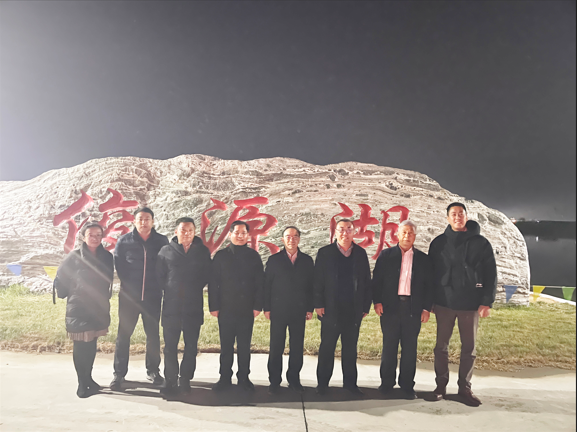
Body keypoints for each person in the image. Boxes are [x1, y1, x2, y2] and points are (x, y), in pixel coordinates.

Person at [429, 202, 497, 407]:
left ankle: (464, 388)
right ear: (447, 218)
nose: (457, 217)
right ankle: (440, 385)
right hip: (444, 302)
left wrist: (486, 301)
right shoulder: (439, 243)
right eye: (453, 214)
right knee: (441, 347)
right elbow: (431, 273)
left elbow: (490, 273)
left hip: (470, 303)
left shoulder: (481, 243)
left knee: (469, 348)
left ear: (466, 217)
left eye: (461, 214)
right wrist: (429, 301)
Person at [372, 220, 433, 400]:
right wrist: (377, 302)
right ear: (397, 235)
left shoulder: (423, 259)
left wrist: (426, 308)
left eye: (411, 233)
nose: (407, 236)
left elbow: (429, 286)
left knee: (410, 348)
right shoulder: (386, 255)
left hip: (413, 308)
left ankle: (407, 385)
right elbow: (377, 281)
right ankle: (386, 383)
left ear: (415, 236)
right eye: (404, 232)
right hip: (390, 307)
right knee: (389, 346)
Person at [110, 207, 169, 391]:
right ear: (134, 221)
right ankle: (119, 374)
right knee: (123, 335)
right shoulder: (124, 241)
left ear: (153, 221)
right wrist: (130, 287)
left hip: (153, 297)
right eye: (140, 219)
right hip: (129, 298)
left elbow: (165, 266)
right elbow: (119, 265)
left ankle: (153, 371)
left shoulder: (161, 241)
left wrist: (159, 285)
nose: (144, 222)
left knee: (153, 335)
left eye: (147, 219)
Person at [54, 222, 114, 398]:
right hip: (79, 306)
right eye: (91, 235)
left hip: (98, 306)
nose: (95, 238)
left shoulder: (107, 256)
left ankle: (89, 378)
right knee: (81, 345)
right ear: (83, 237)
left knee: (92, 343)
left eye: (98, 235)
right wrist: (72, 293)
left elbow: (108, 278)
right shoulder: (74, 256)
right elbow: (61, 276)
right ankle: (82, 383)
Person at [314, 219, 372, 396]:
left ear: (354, 232)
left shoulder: (360, 253)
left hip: (353, 309)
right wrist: (318, 304)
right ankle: (322, 384)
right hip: (330, 309)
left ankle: (350, 384)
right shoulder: (325, 253)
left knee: (350, 348)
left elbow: (366, 281)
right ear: (335, 232)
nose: (345, 233)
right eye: (341, 229)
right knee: (327, 347)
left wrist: (365, 306)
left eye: (348, 229)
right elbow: (318, 280)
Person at [156, 217, 211, 395]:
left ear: (194, 232)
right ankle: (170, 380)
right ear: (176, 232)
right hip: (171, 306)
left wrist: (192, 288)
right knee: (170, 347)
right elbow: (159, 276)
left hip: (193, 306)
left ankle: (185, 378)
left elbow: (206, 275)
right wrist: (172, 288)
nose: (186, 233)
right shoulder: (165, 251)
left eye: (190, 230)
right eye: (183, 230)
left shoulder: (202, 251)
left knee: (191, 346)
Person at [209, 220, 264, 391]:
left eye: (243, 233)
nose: (240, 236)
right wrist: (214, 306)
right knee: (226, 346)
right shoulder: (221, 256)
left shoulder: (253, 256)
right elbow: (213, 283)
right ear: (230, 234)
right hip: (225, 308)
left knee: (244, 346)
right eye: (237, 232)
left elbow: (260, 283)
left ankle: (244, 378)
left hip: (246, 308)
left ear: (248, 235)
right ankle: (224, 378)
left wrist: (258, 305)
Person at [264, 226, 314, 394]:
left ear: (299, 239)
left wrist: (309, 308)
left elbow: (311, 286)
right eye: (288, 236)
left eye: (295, 236)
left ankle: (294, 379)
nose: (291, 239)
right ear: (282, 239)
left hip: (299, 310)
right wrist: (267, 307)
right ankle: (274, 381)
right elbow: (267, 285)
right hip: (278, 309)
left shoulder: (307, 261)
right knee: (276, 346)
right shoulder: (274, 260)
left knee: (297, 346)